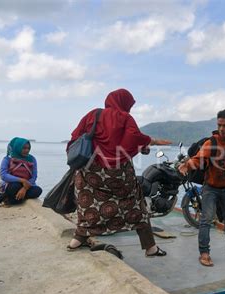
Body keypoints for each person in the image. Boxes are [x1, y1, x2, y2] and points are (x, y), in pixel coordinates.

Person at [66, 88, 172, 257]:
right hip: (118, 175)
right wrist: (149, 141)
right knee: (136, 205)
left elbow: (75, 137)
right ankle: (150, 248)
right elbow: (133, 139)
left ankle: (77, 239)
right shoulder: (125, 118)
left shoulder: (93, 115)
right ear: (124, 103)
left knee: (87, 204)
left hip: (91, 173)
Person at [178, 109, 225, 267]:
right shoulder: (211, 143)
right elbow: (198, 159)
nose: (222, 128)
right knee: (206, 220)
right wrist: (186, 166)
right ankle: (204, 253)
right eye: (219, 125)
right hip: (210, 188)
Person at [0, 137, 42, 207]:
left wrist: (24, 188)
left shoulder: (32, 159)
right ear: (17, 148)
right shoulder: (7, 159)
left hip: (27, 185)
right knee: (15, 186)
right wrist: (22, 180)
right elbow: (3, 175)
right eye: (24, 148)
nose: (27, 150)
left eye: (28, 148)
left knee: (37, 190)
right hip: (11, 184)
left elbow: (34, 176)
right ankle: (5, 198)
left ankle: (8, 199)